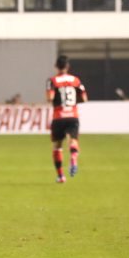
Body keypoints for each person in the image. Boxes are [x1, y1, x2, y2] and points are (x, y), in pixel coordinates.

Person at [46, 55, 87, 183]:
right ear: (67, 66)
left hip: (59, 116)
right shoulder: (76, 80)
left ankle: (61, 176)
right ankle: (74, 156)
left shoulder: (52, 81)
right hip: (73, 116)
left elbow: (50, 98)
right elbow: (84, 98)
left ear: (56, 66)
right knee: (73, 140)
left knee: (57, 146)